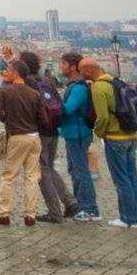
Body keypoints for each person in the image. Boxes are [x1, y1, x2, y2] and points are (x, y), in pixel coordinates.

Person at [83, 57, 137, 227]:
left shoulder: (99, 87)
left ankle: (127, 218)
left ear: (88, 71)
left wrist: (99, 133)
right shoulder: (116, 83)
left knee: (121, 179)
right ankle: (136, 216)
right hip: (130, 136)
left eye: (82, 71)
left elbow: (102, 117)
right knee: (132, 177)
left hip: (115, 138)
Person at [19, 51, 76, 223]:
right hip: (53, 129)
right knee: (49, 167)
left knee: (41, 171)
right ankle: (70, 201)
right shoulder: (46, 80)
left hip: (40, 131)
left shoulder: (27, 83)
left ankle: (54, 212)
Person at [0, 60, 43, 226]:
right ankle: (30, 215)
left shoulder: (5, 91)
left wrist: (10, 121)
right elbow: (43, 119)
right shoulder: (34, 93)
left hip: (17, 136)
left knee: (9, 176)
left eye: (9, 69)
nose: (7, 71)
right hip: (34, 137)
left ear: (16, 73)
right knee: (32, 177)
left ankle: (3, 213)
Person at [58, 52, 99, 222]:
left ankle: (90, 209)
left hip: (78, 133)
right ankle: (80, 206)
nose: (62, 67)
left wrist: (54, 102)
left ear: (73, 66)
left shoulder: (79, 88)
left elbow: (68, 110)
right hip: (72, 133)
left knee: (81, 171)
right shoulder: (73, 85)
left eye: (64, 63)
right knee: (75, 170)